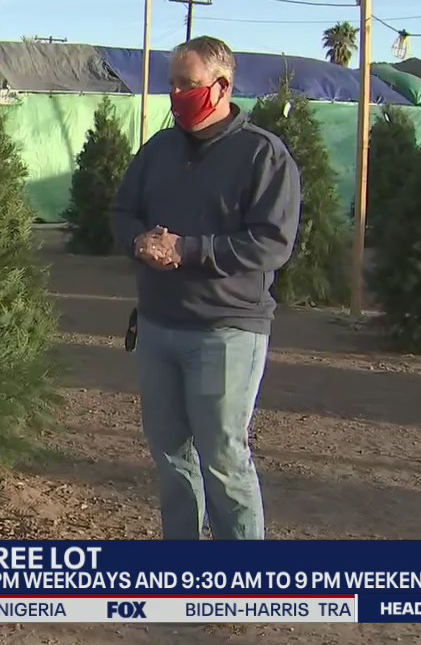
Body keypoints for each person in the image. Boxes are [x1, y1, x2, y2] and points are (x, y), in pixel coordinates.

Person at [110, 36, 302, 541]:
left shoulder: (262, 155)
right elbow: (123, 211)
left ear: (222, 86)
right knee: (171, 455)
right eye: (172, 83)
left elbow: (271, 244)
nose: (177, 94)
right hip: (158, 327)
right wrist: (138, 240)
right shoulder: (159, 149)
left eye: (188, 84)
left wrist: (188, 251)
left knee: (222, 456)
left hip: (225, 332)